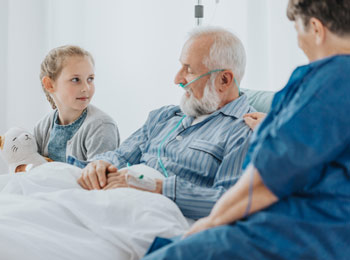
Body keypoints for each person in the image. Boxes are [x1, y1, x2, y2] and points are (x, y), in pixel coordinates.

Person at [142, 0, 350, 259]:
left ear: (316, 29)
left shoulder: (330, 78)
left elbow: (267, 178)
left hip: (297, 231)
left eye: (297, 29)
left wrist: (211, 223)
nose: (298, 41)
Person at [76, 27, 256, 220]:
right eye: (181, 66)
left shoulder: (244, 131)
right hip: (116, 195)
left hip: (156, 214)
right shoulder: (164, 116)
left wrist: (156, 187)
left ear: (224, 79)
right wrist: (101, 165)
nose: (177, 79)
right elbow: (121, 155)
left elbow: (230, 202)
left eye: (189, 70)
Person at [34, 45, 120, 165]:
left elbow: (98, 179)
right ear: (49, 84)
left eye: (90, 79)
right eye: (75, 80)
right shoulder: (42, 127)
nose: (86, 88)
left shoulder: (101, 126)